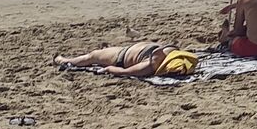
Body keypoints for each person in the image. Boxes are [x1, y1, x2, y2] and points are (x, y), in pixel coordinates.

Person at [54, 41, 196, 79]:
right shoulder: (173, 52)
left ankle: (63, 60)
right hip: (130, 49)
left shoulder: (149, 66)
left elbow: (124, 72)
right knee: (97, 54)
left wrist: (107, 69)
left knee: (92, 56)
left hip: (120, 56)